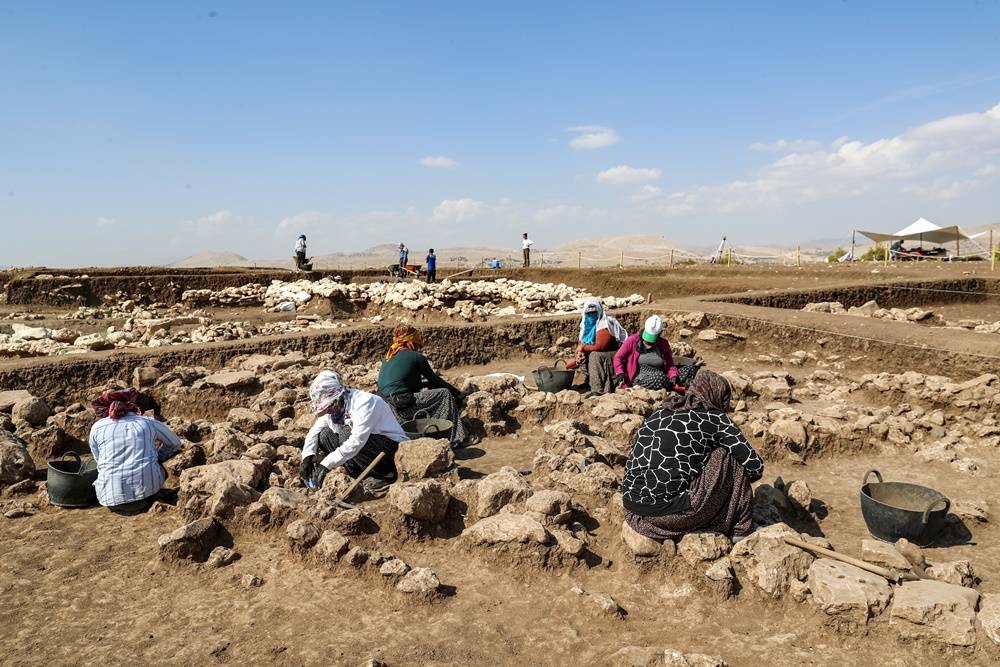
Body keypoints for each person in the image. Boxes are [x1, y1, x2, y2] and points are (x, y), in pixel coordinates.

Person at [621, 370, 764, 541]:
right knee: (727, 455)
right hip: (669, 514)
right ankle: (741, 528)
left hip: (632, 507)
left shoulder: (663, 409)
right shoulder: (714, 417)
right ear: (718, 395)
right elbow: (755, 466)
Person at [300, 370, 409, 492]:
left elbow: (357, 440)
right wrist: (307, 456)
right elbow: (315, 430)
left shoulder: (365, 402)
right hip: (365, 448)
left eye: (329, 407)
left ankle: (384, 475)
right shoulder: (336, 407)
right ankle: (357, 473)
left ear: (339, 396)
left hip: (391, 449)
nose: (328, 411)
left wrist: (326, 464)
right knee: (325, 434)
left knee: (346, 434)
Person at [377, 325, 475, 448]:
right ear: (411, 341)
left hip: (386, 403)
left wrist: (425, 385)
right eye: (417, 343)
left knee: (429, 395)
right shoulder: (416, 357)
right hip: (401, 402)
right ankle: (457, 438)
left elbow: (401, 383)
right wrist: (458, 393)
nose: (418, 346)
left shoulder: (388, 356)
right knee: (444, 393)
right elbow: (436, 381)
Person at [88, 388, 181, 515]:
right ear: (130, 405)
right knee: (156, 464)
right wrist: (158, 457)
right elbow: (175, 443)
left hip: (109, 500)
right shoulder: (147, 422)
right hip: (147, 495)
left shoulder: (97, 427)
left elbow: (98, 460)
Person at [566, 298, 628, 395]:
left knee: (594, 355)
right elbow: (584, 344)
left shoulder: (605, 323)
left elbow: (600, 346)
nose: (591, 315)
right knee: (585, 354)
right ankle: (589, 381)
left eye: (594, 313)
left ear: (599, 312)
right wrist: (579, 354)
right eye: (588, 313)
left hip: (615, 356)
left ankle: (598, 389)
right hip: (602, 356)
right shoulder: (585, 326)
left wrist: (583, 347)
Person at [613, 315, 682, 391]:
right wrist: (620, 372)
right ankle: (670, 387)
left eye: (651, 342)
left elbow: (670, 364)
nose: (648, 345)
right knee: (659, 377)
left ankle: (673, 385)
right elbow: (618, 357)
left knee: (689, 370)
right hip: (640, 379)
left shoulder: (663, 344)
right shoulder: (633, 340)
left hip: (661, 376)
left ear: (659, 334)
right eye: (647, 341)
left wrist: (673, 376)